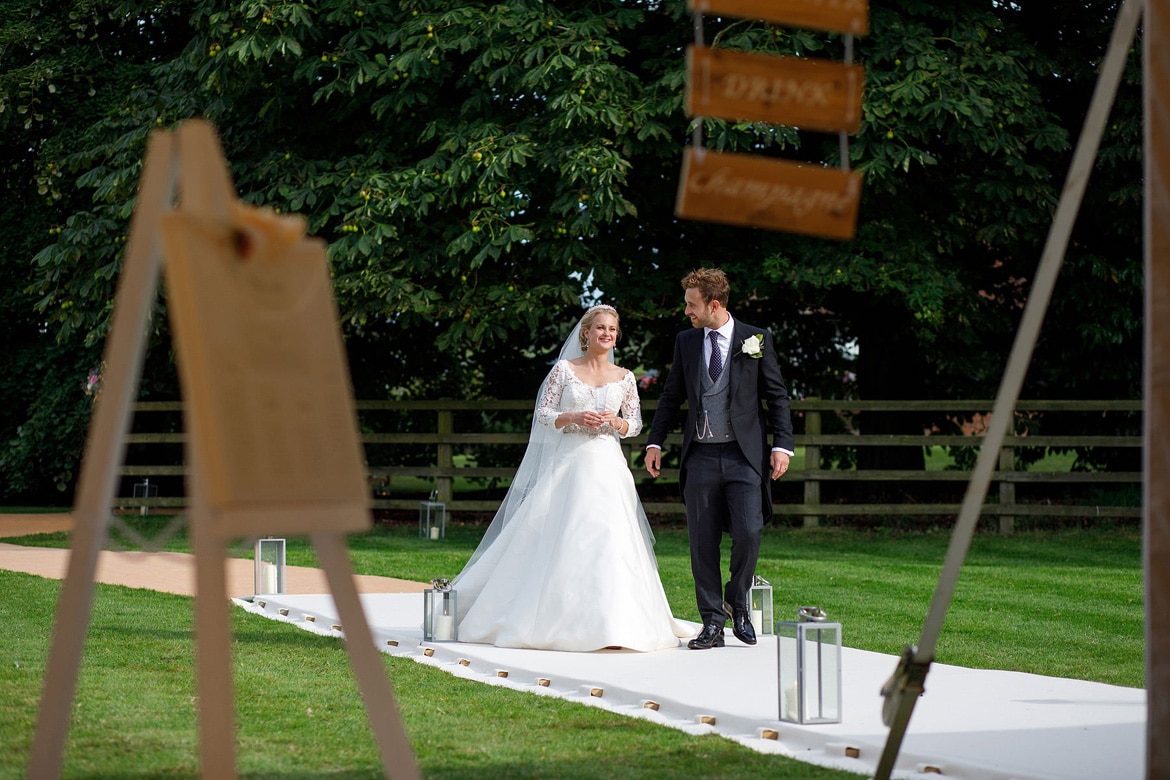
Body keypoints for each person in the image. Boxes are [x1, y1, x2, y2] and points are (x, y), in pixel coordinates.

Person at [451, 304, 691, 651]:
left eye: (612, 329)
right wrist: (574, 415)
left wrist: (616, 422)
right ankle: (553, 619)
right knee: (562, 536)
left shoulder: (624, 376)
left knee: (611, 538)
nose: (606, 334)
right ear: (586, 333)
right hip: (570, 463)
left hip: (608, 464)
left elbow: (635, 424)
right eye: (600, 328)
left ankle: (616, 624)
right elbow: (544, 413)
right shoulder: (564, 371)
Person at [644, 268, 794, 650]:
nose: (687, 312)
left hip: (745, 456)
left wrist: (783, 445)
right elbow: (671, 395)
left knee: (749, 533)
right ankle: (711, 622)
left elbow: (777, 396)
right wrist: (655, 442)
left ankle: (737, 600)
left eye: (692, 305)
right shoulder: (686, 341)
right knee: (702, 541)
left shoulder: (756, 339)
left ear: (714, 304)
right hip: (701, 457)